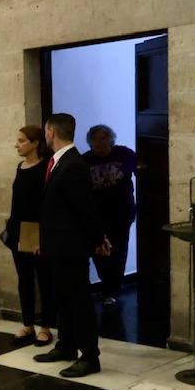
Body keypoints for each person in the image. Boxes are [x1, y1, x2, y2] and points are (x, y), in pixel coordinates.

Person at [36, 113, 109, 378]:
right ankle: (66, 345)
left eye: (46, 131)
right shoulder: (59, 162)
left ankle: (90, 356)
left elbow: (85, 208)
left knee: (79, 300)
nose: (45, 135)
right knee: (63, 298)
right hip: (57, 244)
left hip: (71, 245)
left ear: (51, 132)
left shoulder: (73, 164)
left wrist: (98, 239)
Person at [7, 126, 55, 346]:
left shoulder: (46, 167)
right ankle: (27, 323)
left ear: (35, 143)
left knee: (44, 279)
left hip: (36, 230)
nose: (17, 144)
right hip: (18, 229)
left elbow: (45, 204)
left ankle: (46, 326)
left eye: (22, 141)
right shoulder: (20, 166)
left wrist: (41, 235)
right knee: (24, 279)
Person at [83, 124, 137, 305]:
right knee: (98, 251)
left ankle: (112, 289)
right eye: (96, 139)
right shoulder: (84, 161)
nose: (100, 142)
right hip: (97, 215)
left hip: (122, 213)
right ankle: (106, 286)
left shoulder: (124, 154)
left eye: (103, 138)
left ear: (110, 139)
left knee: (119, 251)